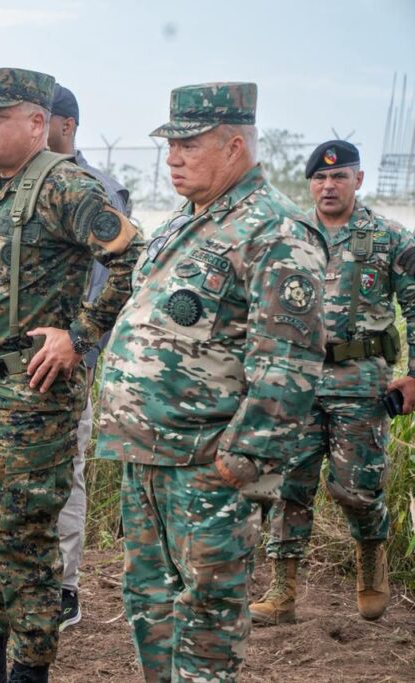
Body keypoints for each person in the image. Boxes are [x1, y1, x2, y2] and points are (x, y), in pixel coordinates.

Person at [96, 83, 328, 681]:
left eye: (187, 145)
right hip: (147, 456)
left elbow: (291, 361)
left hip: (206, 463)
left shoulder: (275, 230)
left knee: (206, 615)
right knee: (148, 603)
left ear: (233, 145)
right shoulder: (184, 222)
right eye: (169, 144)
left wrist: (242, 459)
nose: (172, 157)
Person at [0, 67, 143, 683]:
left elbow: (136, 257)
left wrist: (79, 338)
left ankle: (30, 668)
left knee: (22, 534)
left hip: (34, 395)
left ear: (36, 122)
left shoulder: (66, 186)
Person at [251, 140, 415, 625]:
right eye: (320, 178)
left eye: (338, 176)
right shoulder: (287, 234)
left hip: (360, 384)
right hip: (295, 382)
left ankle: (371, 560)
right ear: (310, 183)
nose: (328, 185)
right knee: (288, 485)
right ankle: (282, 592)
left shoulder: (389, 238)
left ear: (357, 181)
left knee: (356, 489)